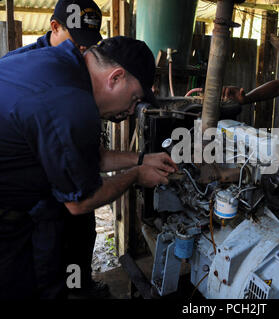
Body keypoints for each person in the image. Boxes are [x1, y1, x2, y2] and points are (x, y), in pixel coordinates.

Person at [0, 36, 176, 299]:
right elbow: (80, 201)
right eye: (134, 99)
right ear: (116, 77)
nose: (130, 111)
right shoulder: (72, 103)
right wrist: (137, 175)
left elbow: (83, 156)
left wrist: (140, 159)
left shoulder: (62, 64)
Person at [3, 0, 102, 58]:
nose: (84, 47)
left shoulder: (93, 60)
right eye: (78, 37)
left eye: (90, 41)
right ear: (55, 27)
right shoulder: (18, 61)